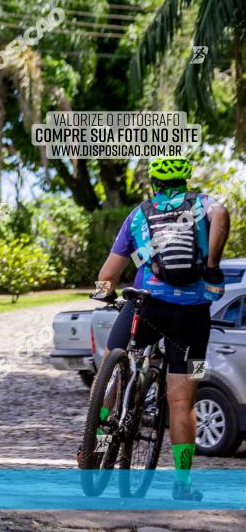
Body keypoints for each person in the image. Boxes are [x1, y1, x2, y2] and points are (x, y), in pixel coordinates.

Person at [89, 156, 229, 501]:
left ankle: (98, 430)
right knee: (184, 401)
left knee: (112, 355)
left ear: (153, 182)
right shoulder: (203, 205)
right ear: (187, 179)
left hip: (145, 306)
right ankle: (182, 484)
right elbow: (223, 215)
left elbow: (108, 276)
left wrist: (105, 295)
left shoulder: (139, 215)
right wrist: (211, 266)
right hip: (193, 318)